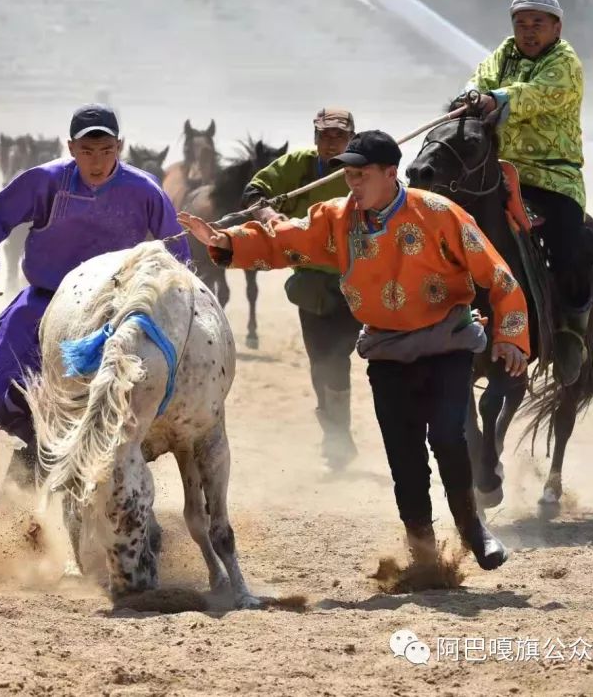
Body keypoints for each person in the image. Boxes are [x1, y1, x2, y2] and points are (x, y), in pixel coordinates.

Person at [178, 130, 530, 570]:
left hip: (447, 344)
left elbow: (498, 276)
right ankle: (421, 546)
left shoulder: (440, 214)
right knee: (404, 454)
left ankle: (473, 528)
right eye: (348, 174)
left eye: (362, 174)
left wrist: (511, 336)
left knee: (447, 435)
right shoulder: (337, 218)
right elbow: (285, 240)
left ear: (390, 172)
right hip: (386, 351)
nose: (353, 183)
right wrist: (228, 242)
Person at [0, 104, 191, 500]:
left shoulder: (145, 190)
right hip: (40, 308)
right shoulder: (46, 181)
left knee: (85, 423)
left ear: (119, 146)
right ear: (71, 147)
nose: (96, 162)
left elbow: (178, 255)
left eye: (105, 151)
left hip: (110, 320)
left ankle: (25, 512)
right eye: (86, 151)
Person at [462, 0, 590, 386]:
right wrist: (471, 95)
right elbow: (479, 77)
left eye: (537, 23)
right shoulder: (504, 53)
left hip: (552, 178)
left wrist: (495, 98)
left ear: (556, 27)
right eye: (521, 23)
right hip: (501, 173)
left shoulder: (565, 63)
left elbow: (533, 95)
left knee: (571, 246)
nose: (528, 31)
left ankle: (572, 331)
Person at [240, 108, 360, 469]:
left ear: (352, 137)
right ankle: (335, 435)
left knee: (342, 359)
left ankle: (341, 436)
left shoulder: (364, 167)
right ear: (315, 136)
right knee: (321, 360)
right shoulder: (298, 165)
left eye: (339, 136)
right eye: (325, 135)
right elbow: (254, 191)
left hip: (358, 280)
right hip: (311, 284)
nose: (331, 142)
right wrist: (269, 216)